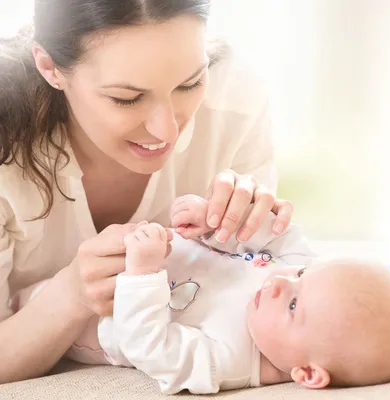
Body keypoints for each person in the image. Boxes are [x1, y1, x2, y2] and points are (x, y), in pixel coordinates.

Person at [0, 0, 295, 383]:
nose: (167, 130)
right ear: (50, 68)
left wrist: (254, 224)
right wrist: (71, 295)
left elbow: (260, 294)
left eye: (190, 84)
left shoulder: (233, 99)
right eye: (126, 98)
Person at [16, 194, 390, 394]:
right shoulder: (303, 279)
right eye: (303, 274)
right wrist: (212, 226)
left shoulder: (226, 362)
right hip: (92, 259)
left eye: (294, 305)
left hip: (75, 316)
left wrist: (144, 273)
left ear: (308, 373)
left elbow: (149, 347)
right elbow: (278, 235)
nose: (282, 282)